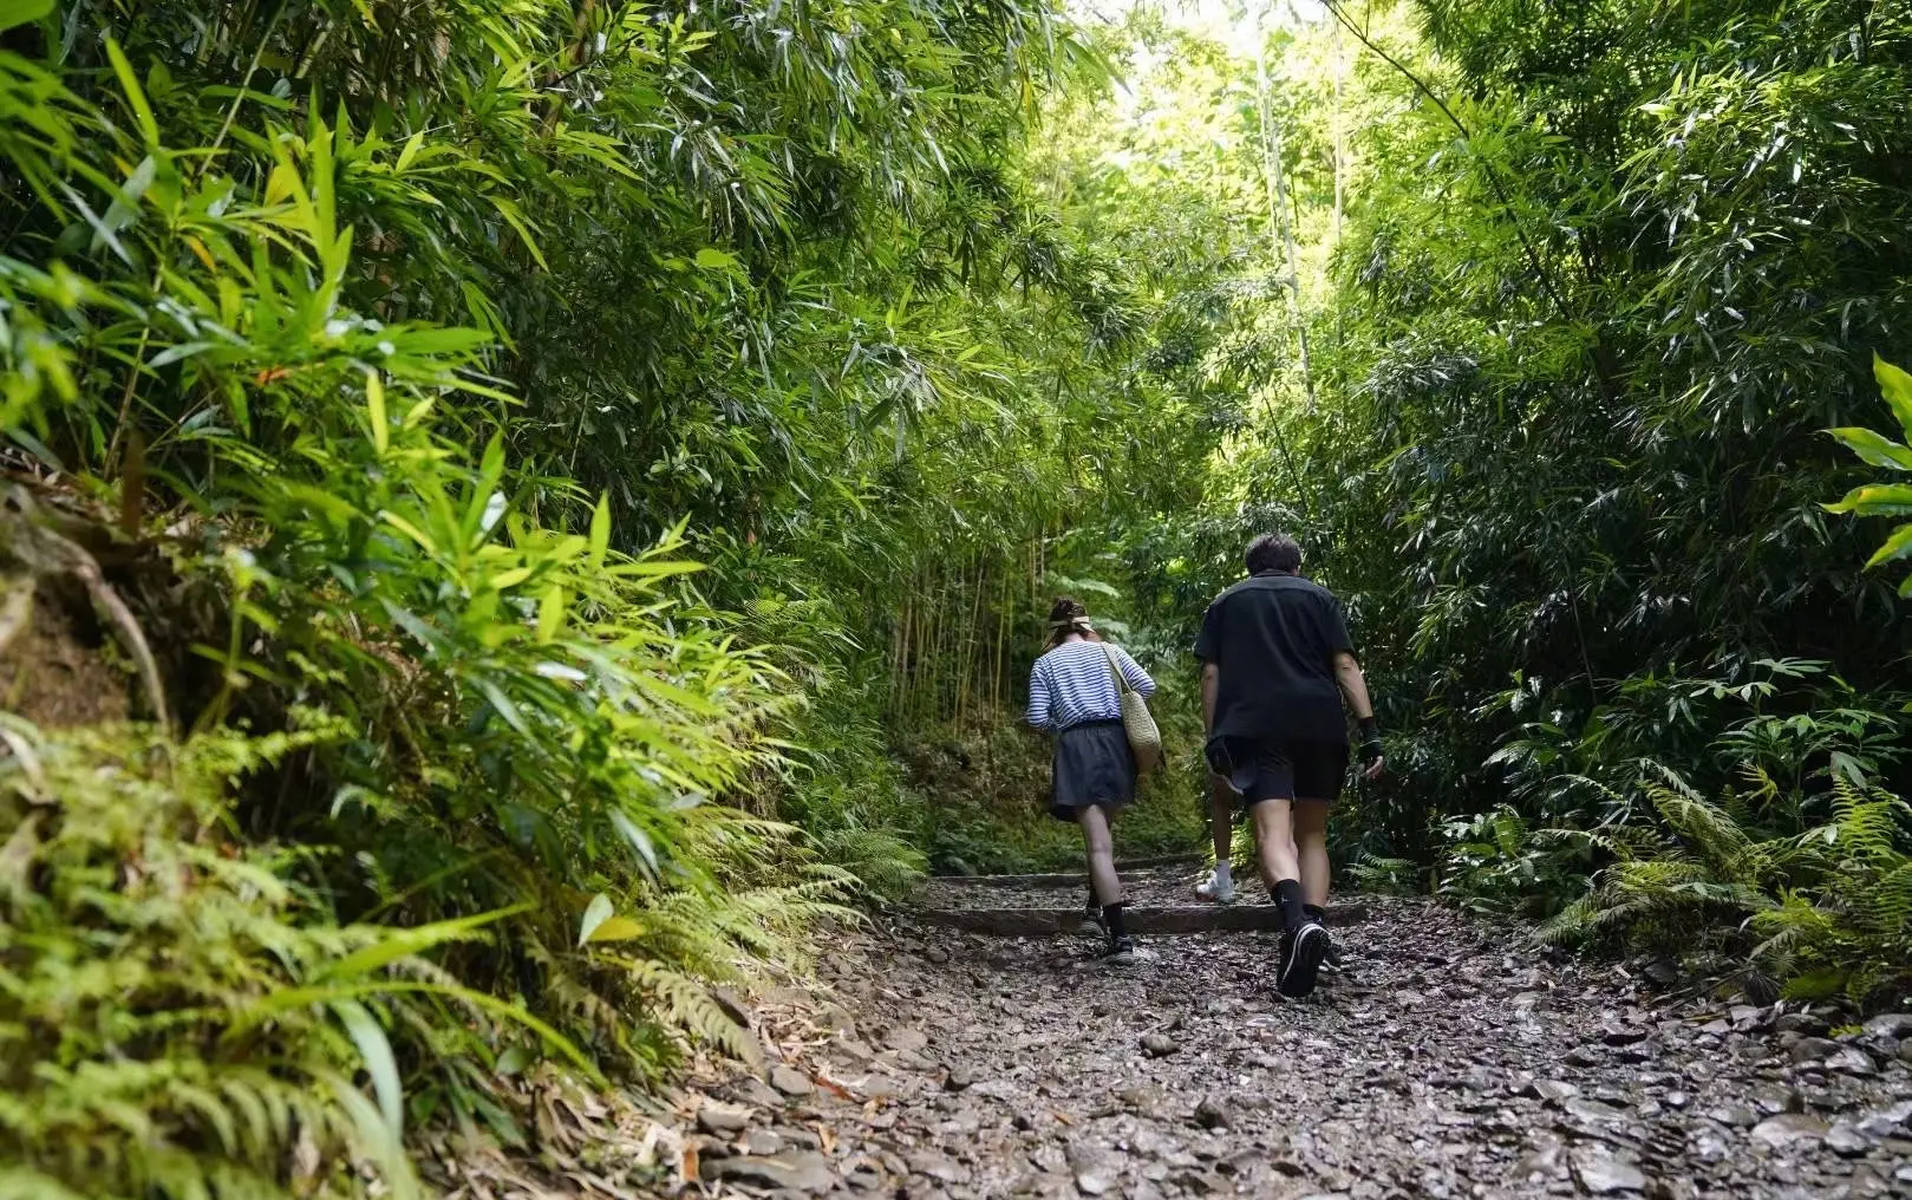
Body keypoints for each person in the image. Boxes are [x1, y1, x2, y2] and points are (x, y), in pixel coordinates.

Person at [1194, 533, 1382, 998]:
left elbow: (1212, 673)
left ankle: (1297, 925)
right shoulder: (1320, 597)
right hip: (1320, 723)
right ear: (1296, 566)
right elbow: (1345, 665)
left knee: (1273, 834)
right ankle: (1314, 927)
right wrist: (1370, 731)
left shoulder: (1226, 603)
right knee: (1313, 834)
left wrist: (1214, 736)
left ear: (1251, 568)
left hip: (1257, 727)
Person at [1026, 596, 1158, 964]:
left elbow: (1036, 717)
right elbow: (1146, 686)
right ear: (1086, 624)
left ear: (1053, 631)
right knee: (1104, 837)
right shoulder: (1109, 651)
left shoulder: (1046, 663)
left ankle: (1121, 939)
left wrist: (1063, 722)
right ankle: (1092, 910)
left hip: (1077, 746)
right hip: (1116, 743)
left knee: (1098, 846)